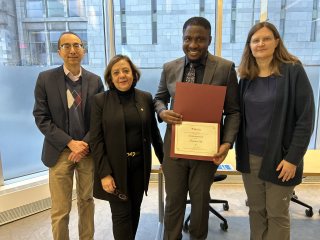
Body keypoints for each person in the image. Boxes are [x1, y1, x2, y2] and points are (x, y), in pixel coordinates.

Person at [154, 17, 240, 240]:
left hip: (207, 149)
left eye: (200, 39)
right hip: (175, 147)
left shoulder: (225, 68)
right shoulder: (170, 68)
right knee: (173, 201)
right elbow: (159, 99)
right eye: (188, 39)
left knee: (201, 201)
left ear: (209, 40)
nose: (193, 44)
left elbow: (233, 111)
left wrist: (227, 143)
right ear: (182, 40)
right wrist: (162, 112)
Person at [236, 22, 315, 240]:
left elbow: (306, 119)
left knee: (277, 214)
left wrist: (293, 158)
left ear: (277, 42)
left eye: (266, 39)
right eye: (255, 40)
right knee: (256, 210)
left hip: (281, 158)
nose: (261, 44)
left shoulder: (293, 71)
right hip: (250, 156)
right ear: (249, 46)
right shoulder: (245, 76)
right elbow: (237, 116)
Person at [33, 32, 104, 239]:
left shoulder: (95, 81)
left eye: (77, 45)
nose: (72, 50)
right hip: (59, 152)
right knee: (60, 208)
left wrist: (84, 145)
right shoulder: (45, 79)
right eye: (66, 46)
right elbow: (41, 117)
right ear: (59, 52)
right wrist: (70, 143)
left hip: (86, 152)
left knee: (87, 201)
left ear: (83, 50)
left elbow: (100, 120)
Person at [90, 54, 164, 240]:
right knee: (122, 215)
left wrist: (165, 160)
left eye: (126, 71)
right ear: (110, 78)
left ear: (133, 74)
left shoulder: (145, 98)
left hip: (140, 166)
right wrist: (104, 173)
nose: (122, 75)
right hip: (115, 170)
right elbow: (96, 140)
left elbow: (154, 133)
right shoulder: (100, 101)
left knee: (135, 210)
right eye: (116, 72)